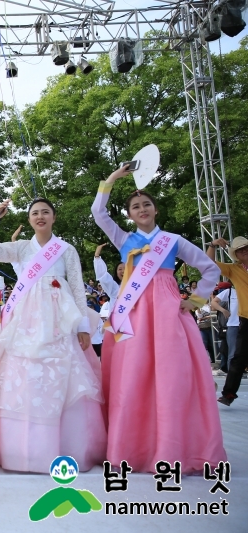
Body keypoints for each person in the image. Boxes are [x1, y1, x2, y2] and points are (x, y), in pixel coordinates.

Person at [93, 165, 226, 472]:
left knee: (171, 376)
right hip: (134, 312)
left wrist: (193, 301)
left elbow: (210, 269)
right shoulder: (123, 238)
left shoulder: (173, 240)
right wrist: (112, 179)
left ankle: (171, 445)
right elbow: (99, 213)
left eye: (146, 204)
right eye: (135, 206)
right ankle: (133, 447)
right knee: (132, 375)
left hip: (167, 312)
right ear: (129, 214)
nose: (142, 209)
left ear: (155, 209)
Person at [0, 198, 106, 473]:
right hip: (27, 320)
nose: (40, 216)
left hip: (60, 318)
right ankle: (24, 451)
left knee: (65, 375)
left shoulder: (66, 249)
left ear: (53, 217)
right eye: (35, 213)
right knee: (26, 376)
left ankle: (67, 447)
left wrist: (83, 326)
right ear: (29, 219)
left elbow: (77, 286)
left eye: (45, 212)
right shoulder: (22, 247)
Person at [207, 236, 248, 406]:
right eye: (240, 250)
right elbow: (208, 264)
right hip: (246, 319)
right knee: (238, 357)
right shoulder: (234, 269)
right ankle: (228, 393)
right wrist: (212, 245)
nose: (244, 251)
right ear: (236, 255)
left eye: (246, 247)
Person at [211, 283, 238, 374]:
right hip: (233, 325)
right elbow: (213, 302)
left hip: (244, 324)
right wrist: (223, 310)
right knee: (232, 352)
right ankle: (232, 375)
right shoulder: (230, 292)